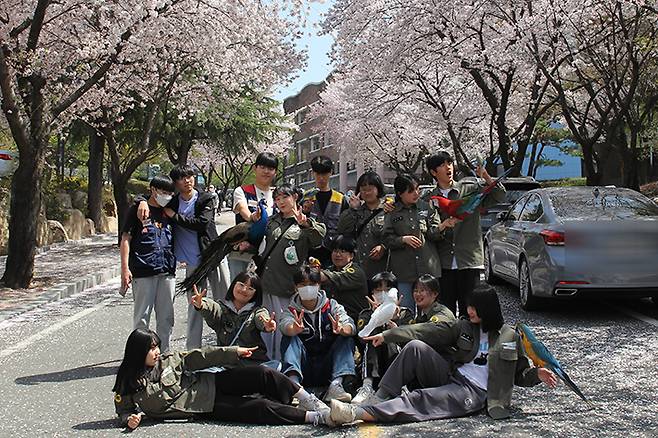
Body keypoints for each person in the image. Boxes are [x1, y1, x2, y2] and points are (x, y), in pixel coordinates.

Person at [329, 289, 559, 425]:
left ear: (487, 309)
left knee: (422, 398)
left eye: (474, 308)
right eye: (468, 306)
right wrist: (389, 335)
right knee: (415, 347)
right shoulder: (465, 326)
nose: (469, 311)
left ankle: (356, 413)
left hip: (474, 392)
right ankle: (379, 398)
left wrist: (537, 374)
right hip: (451, 374)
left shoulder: (510, 336)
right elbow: (426, 331)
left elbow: (519, 375)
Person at [113, 329, 334, 429]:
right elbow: (123, 411)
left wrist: (233, 351)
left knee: (262, 373)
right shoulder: (128, 381)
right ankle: (315, 417)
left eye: (157, 346)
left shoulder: (169, 360)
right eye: (151, 349)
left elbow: (202, 356)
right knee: (260, 407)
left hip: (211, 383)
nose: (157, 352)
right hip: (200, 406)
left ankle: (311, 400)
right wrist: (129, 420)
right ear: (137, 352)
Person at [136, 165, 228, 350]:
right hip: (193, 263)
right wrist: (142, 201)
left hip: (213, 257)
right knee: (195, 306)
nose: (188, 180)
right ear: (175, 182)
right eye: (182, 178)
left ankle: (226, 344)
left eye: (190, 176)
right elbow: (153, 198)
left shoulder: (205, 198)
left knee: (224, 302)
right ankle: (193, 349)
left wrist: (176, 217)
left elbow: (203, 223)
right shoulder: (173, 201)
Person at [426, 152, 506, 316]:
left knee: (470, 311)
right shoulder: (428, 198)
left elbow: (499, 195)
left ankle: (469, 341)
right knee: (445, 312)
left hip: (469, 260)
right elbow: (429, 231)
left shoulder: (470, 188)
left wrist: (485, 175)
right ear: (433, 172)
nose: (448, 167)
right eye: (442, 165)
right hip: (443, 263)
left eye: (449, 163)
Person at [260, 184, 326, 360]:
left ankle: (287, 363)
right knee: (267, 324)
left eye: (284, 197)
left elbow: (318, 239)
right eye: (277, 198)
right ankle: (268, 361)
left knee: (286, 325)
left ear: (295, 197)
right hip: (268, 281)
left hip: (287, 285)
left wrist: (305, 224)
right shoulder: (273, 220)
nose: (280, 202)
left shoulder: (307, 222)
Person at [279, 265, 356, 403]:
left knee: (346, 338)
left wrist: (342, 329)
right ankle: (294, 387)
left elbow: (349, 324)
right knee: (289, 338)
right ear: (296, 287)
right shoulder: (291, 310)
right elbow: (284, 325)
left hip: (329, 366)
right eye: (303, 285)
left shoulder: (332, 305)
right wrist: (293, 329)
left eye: (312, 284)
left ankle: (336, 386)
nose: (308, 288)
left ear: (319, 285)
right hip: (304, 367)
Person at [120, 176, 176, 353]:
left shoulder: (170, 211)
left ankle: (164, 354)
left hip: (167, 270)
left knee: (166, 317)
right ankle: (140, 356)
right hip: (143, 270)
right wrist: (124, 269)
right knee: (142, 318)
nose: (166, 196)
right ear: (152, 190)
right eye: (163, 192)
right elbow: (125, 239)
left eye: (169, 193)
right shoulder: (138, 209)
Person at [352, 272, 413, 405]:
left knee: (389, 338)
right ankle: (367, 386)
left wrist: (395, 325)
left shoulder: (405, 313)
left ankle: (400, 385)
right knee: (373, 341)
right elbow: (362, 340)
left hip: (395, 359)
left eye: (387, 290)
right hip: (373, 363)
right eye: (379, 290)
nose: (383, 294)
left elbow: (410, 341)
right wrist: (377, 318)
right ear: (372, 292)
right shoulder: (366, 314)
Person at [190, 271, 276, 365]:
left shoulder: (256, 311)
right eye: (241, 284)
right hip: (226, 361)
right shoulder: (222, 309)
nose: (244, 290)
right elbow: (212, 308)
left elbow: (261, 317)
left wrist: (267, 325)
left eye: (250, 288)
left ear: (255, 294)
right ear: (233, 285)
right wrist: (201, 304)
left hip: (252, 361)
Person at [382, 173, 442, 310]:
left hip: (427, 267)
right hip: (404, 271)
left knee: (430, 311)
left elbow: (435, 234)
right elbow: (386, 239)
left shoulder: (427, 207)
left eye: (417, 189)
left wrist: (442, 227)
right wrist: (402, 239)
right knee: (406, 310)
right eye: (410, 191)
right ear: (400, 193)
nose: (416, 193)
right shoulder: (392, 211)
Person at [229, 152, 278, 279]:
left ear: (276, 172)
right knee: (240, 292)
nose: (266, 171)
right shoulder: (242, 191)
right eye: (262, 167)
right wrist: (252, 217)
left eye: (271, 168)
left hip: (267, 255)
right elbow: (242, 209)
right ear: (254, 168)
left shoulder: (278, 195)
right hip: (242, 253)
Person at [336, 171, 388, 279]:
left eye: (370, 189)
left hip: (382, 270)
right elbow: (342, 228)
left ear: (378, 189)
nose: (367, 193)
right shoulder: (357, 211)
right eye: (363, 189)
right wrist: (353, 209)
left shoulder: (388, 209)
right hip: (359, 269)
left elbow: (396, 234)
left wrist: (384, 247)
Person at [303, 155, 349, 266]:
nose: (321, 178)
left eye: (324, 174)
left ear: (331, 173)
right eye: (318, 174)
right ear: (312, 173)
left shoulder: (341, 199)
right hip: (309, 254)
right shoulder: (305, 198)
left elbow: (347, 228)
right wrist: (305, 212)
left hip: (333, 255)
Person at [312, 235, 369, 324]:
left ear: (351, 255)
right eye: (335, 251)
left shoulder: (356, 272)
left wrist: (312, 273)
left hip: (354, 320)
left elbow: (329, 278)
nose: (338, 255)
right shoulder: (330, 269)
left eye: (343, 251)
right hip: (331, 319)